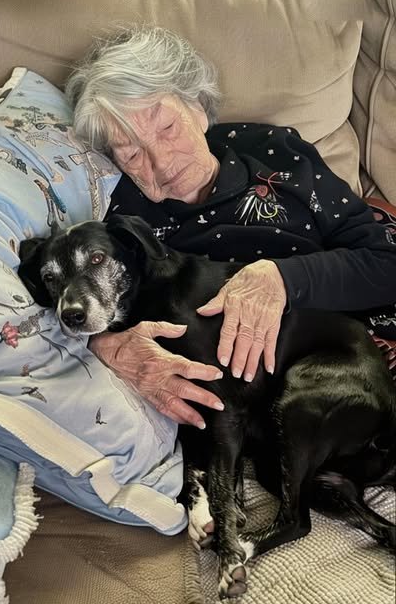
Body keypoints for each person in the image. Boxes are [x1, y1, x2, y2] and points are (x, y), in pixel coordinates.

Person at [64, 25, 396, 430]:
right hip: (250, 413)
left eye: (168, 128)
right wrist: (105, 346)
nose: (162, 162)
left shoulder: (275, 153)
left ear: (197, 107)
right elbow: (83, 301)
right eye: (132, 154)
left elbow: (386, 264)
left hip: (356, 361)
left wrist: (283, 278)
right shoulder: (120, 218)